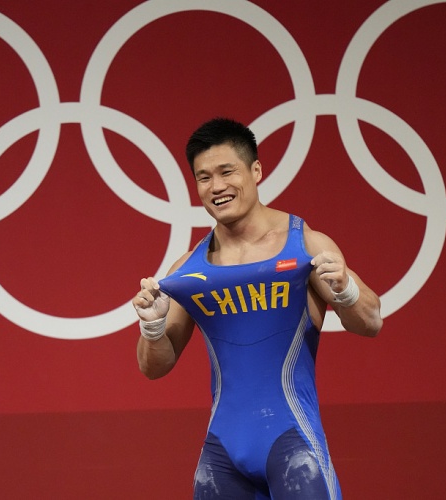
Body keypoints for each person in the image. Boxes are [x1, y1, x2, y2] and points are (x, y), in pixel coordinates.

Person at [132, 117, 382, 499]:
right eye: (203, 177)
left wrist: (346, 290)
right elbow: (154, 367)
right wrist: (152, 329)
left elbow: (371, 321)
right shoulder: (189, 270)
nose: (216, 187)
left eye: (226, 171)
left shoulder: (305, 246)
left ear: (256, 171)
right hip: (221, 459)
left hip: (293, 449)